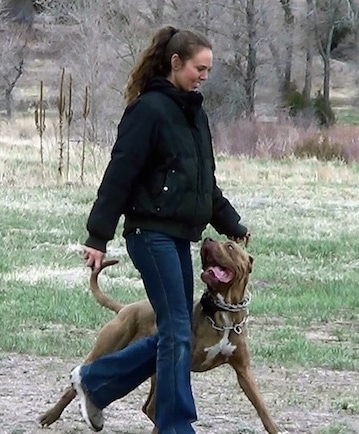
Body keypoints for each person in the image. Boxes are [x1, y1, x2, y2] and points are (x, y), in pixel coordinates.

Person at [70, 25, 250, 434]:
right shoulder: (147, 110)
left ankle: (95, 381)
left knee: (176, 332)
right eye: (198, 68)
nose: (204, 75)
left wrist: (231, 222)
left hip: (177, 236)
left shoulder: (195, 115)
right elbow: (119, 176)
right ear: (175, 63)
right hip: (149, 235)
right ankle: (175, 426)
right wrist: (97, 237)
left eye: (208, 69)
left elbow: (205, 184)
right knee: (177, 333)